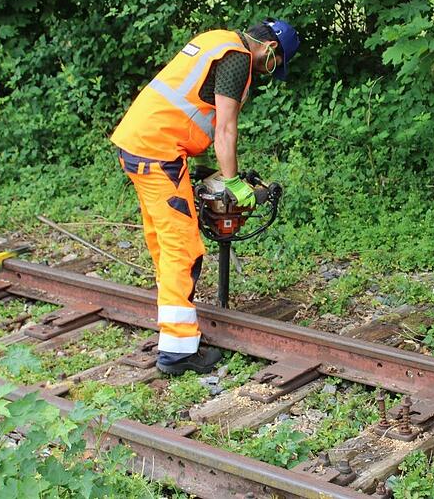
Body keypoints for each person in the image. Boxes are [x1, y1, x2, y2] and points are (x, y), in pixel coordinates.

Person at [111, 19, 300, 375]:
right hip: (158, 152)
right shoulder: (238, 58)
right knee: (183, 249)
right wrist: (233, 183)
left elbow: (188, 108)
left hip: (139, 144)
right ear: (271, 51)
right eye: (273, 65)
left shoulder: (217, 39)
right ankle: (177, 352)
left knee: (163, 243)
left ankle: (172, 325)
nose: (267, 72)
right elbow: (225, 127)